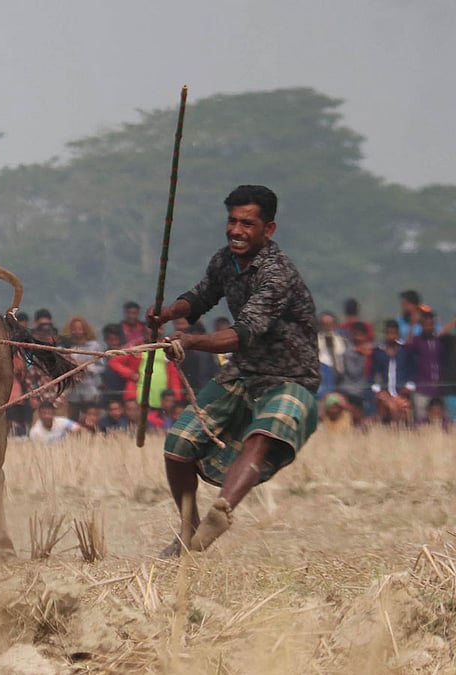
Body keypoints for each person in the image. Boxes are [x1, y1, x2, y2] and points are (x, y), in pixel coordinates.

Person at [148, 185, 319, 557]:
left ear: (268, 229)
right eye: (232, 221)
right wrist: (168, 314)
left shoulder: (278, 275)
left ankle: (221, 511)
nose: (236, 231)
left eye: (246, 223)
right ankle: (189, 524)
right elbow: (201, 297)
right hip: (242, 373)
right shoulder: (225, 260)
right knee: (177, 447)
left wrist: (190, 341)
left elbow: (242, 334)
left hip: (289, 377)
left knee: (260, 438)